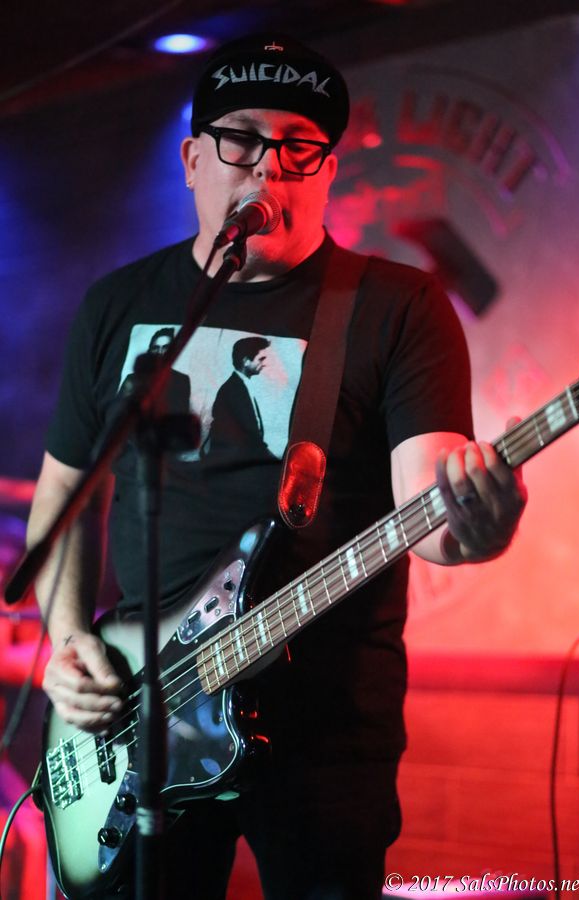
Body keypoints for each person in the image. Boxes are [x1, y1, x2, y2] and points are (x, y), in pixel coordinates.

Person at [26, 33, 527, 900]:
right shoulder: (119, 304)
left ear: (328, 172)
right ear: (193, 160)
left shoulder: (397, 307)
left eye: (299, 148)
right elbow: (67, 497)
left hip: (325, 732)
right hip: (140, 716)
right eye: (242, 140)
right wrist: (71, 639)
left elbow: (433, 510)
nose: (268, 167)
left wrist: (479, 524)